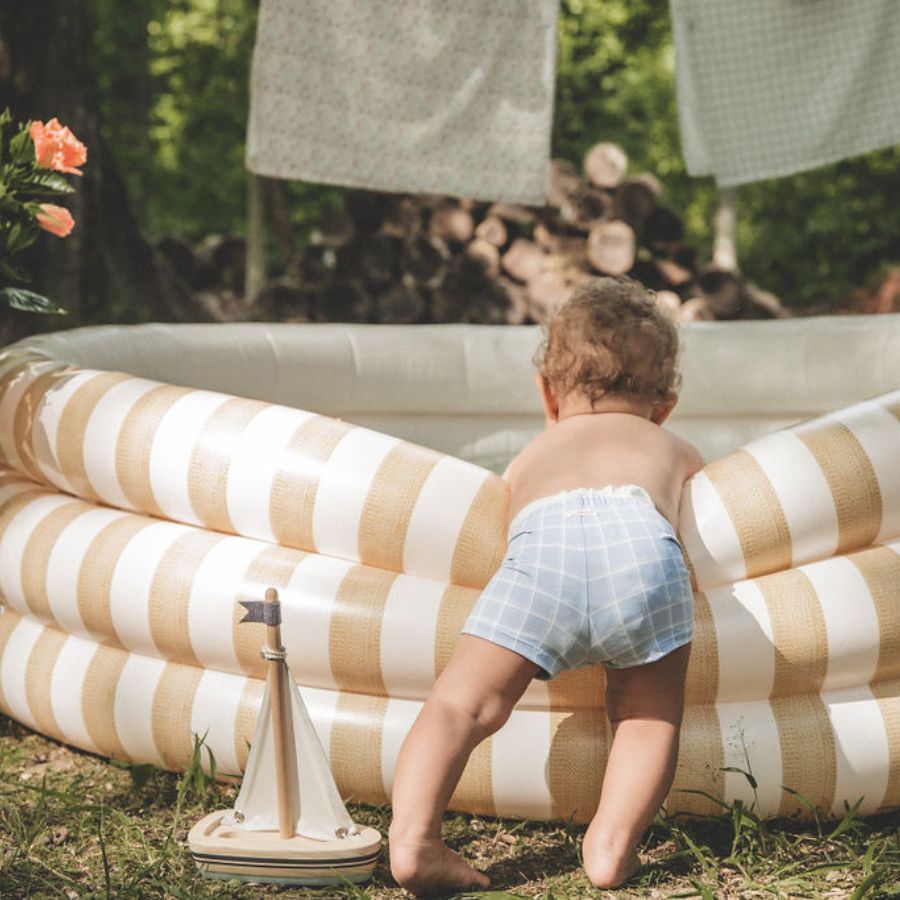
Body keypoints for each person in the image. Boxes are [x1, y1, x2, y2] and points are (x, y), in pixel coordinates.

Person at [389, 276, 704, 896]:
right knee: (646, 714)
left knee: (460, 706)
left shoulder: (532, 454)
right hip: (642, 550)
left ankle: (415, 840)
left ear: (546, 392)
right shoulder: (671, 445)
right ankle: (610, 847)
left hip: (546, 552)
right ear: (664, 405)